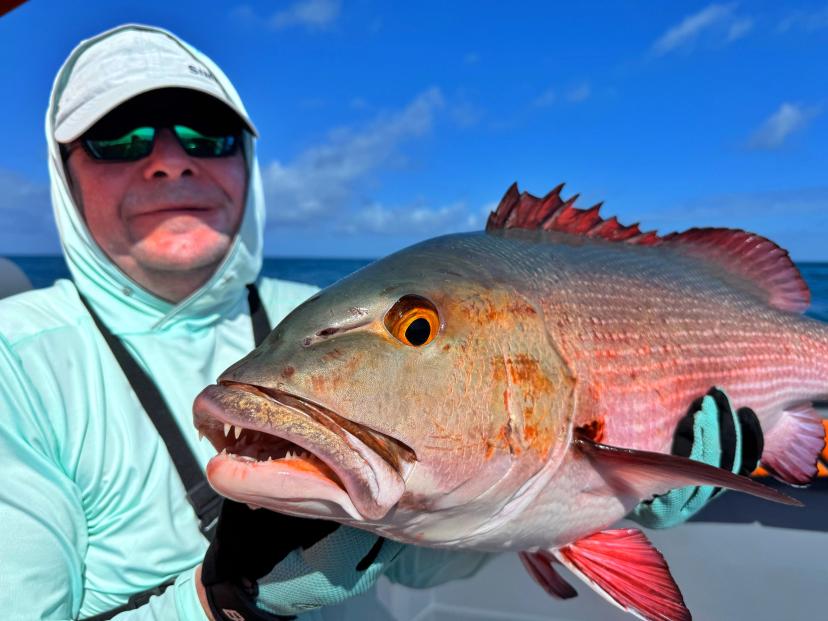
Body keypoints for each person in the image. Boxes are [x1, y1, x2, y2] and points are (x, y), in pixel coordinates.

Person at [0, 23, 761, 621]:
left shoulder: (307, 302)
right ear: (63, 172)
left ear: (246, 162)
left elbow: (432, 543)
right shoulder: (17, 361)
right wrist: (218, 601)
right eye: (120, 138)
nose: (169, 162)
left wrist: (588, 502)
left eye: (207, 135)